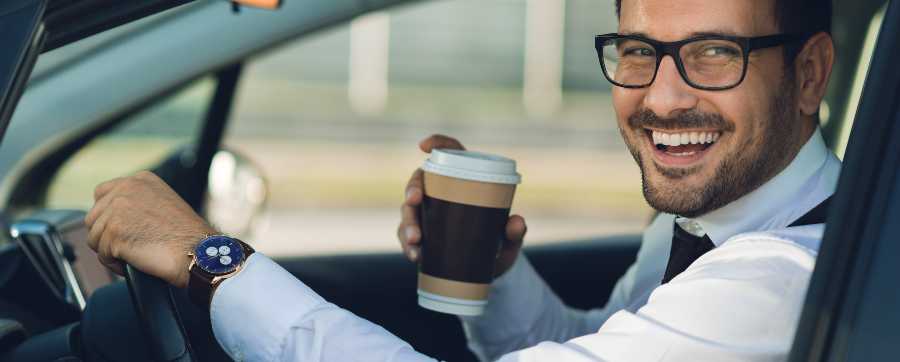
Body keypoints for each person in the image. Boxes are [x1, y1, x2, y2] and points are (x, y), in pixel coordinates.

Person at [85, 0, 838, 360]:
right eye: (639, 50)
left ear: (808, 75)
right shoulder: (709, 221)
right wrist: (490, 274)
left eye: (712, 54)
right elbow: (593, 346)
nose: (662, 97)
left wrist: (211, 260)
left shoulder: (785, 284)